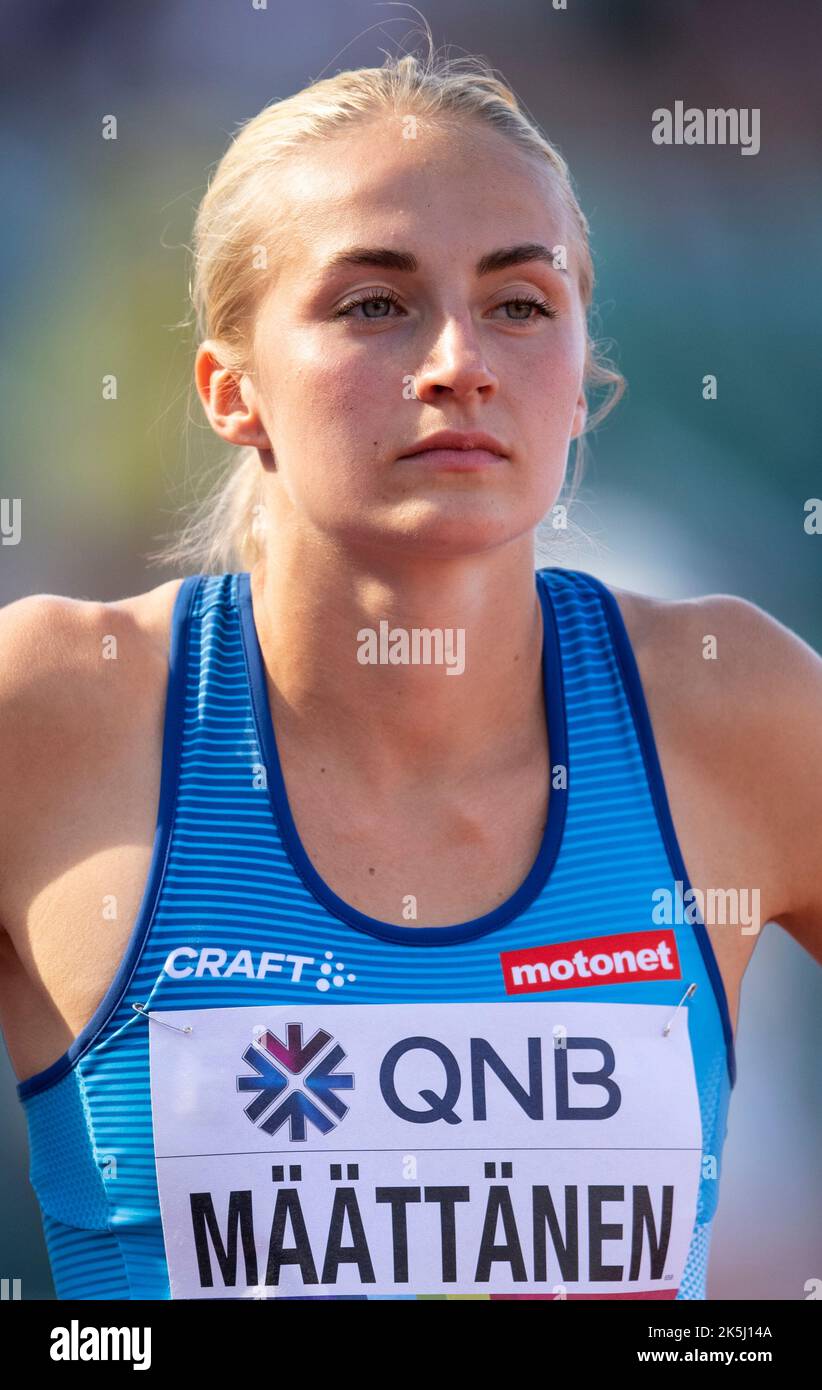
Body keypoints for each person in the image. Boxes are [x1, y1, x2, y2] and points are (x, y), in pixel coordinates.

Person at [0, 46, 820, 1303]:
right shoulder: (56, 709)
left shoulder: (728, 704)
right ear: (232, 389)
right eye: (374, 303)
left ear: (586, 379)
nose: (458, 362)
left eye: (522, 302)